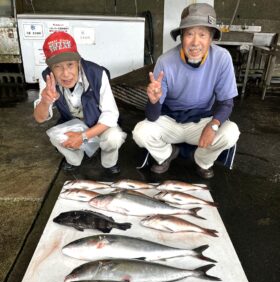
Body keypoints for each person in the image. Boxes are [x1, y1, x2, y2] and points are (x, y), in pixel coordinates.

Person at [132, 3, 240, 179]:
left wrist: (213, 125)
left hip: (202, 121)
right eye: (189, 34)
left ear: (211, 37)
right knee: (140, 132)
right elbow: (152, 117)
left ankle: (202, 160)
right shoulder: (165, 62)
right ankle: (167, 154)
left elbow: (226, 102)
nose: (195, 42)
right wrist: (153, 101)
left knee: (231, 132)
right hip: (170, 120)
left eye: (202, 34)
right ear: (181, 36)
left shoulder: (222, 58)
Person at [34, 31, 126, 173]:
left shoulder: (97, 73)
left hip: (98, 124)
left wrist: (83, 136)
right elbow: (40, 118)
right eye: (58, 66)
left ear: (78, 62)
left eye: (70, 64)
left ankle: (109, 163)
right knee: (54, 137)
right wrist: (45, 101)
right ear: (50, 68)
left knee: (114, 137)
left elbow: (111, 114)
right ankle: (75, 159)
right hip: (73, 125)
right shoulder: (47, 78)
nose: (65, 73)